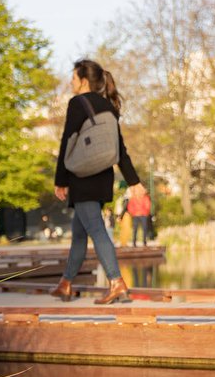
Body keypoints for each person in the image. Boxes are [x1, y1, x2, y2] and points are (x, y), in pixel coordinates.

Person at [51, 59, 147, 305]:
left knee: (95, 230)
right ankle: (65, 284)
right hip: (103, 176)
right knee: (79, 234)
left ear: (83, 81)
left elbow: (67, 141)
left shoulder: (77, 103)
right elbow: (120, 149)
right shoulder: (108, 105)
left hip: (82, 177)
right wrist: (133, 181)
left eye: (73, 78)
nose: (70, 82)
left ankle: (116, 283)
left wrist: (60, 179)